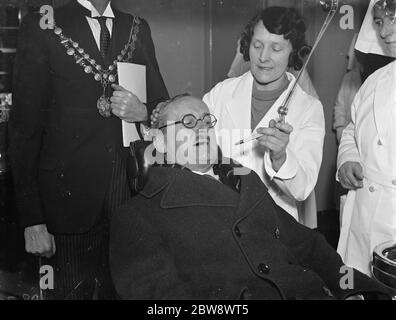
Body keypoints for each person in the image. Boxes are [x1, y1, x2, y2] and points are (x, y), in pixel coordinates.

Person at [110, 94, 391, 300]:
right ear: (159, 142)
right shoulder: (136, 216)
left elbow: (308, 245)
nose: (201, 129)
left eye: (207, 121)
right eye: (187, 122)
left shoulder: (244, 181)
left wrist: (353, 289)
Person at [8, 0, 168, 299]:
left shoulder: (136, 27)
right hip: (64, 206)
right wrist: (32, 219)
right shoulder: (43, 23)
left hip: (129, 201)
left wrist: (143, 111)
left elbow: (163, 107)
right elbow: (23, 130)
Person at [203, 7, 325, 228]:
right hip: (219, 217)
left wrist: (280, 157)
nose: (263, 57)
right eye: (257, 45)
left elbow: (302, 188)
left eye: (276, 48)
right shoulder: (221, 93)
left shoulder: (309, 108)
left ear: (293, 52)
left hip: (274, 224)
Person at [337, 0, 396, 276]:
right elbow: (352, 128)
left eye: (393, 20)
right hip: (362, 218)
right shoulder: (375, 80)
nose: (384, 32)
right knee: (359, 286)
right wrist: (348, 158)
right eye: (379, 22)